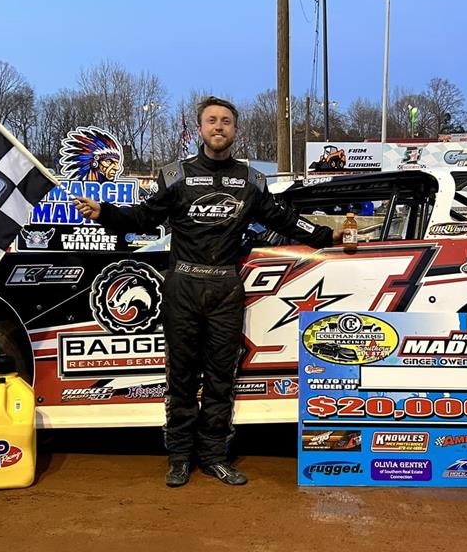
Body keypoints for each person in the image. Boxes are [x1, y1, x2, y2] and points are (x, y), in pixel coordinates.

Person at [74, 96, 340, 488]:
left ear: (235, 130)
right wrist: (106, 212)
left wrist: (328, 235)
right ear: (200, 129)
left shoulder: (250, 180)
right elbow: (145, 217)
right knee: (180, 377)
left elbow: (284, 219)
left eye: (226, 121)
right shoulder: (175, 175)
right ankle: (179, 457)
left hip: (225, 287)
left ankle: (215, 456)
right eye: (212, 121)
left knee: (220, 378)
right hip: (182, 285)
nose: (219, 127)